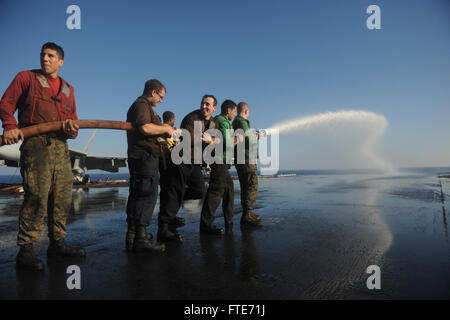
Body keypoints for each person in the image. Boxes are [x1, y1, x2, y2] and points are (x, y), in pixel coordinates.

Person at [0, 42, 86, 271]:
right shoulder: (25, 78)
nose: (45, 59)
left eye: (51, 56)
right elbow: (6, 104)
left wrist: (71, 129)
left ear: (61, 61)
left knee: (62, 197)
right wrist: (10, 125)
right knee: (36, 195)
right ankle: (26, 251)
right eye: (43, 55)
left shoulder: (69, 89)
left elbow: (75, 124)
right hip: (36, 145)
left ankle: (57, 244)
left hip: (61, 147)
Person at [157, 94, 218, 241]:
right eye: (203, 103)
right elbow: (187, 136)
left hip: (195, 163)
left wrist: (212, 140)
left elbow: (218, 138)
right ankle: (163, 230)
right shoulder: (192, 118)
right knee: (175, 192)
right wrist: (205, 139)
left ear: (214, 108)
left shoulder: (213, 123)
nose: (204, 106)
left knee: (199, 191)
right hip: (183, 160)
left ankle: (173, 199)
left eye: (207, 104)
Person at [125, 79, 174, 253]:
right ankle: (140, 238)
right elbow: (145, 128)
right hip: (144, 156)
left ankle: (134, 234)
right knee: (146, 194)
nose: (161, 100)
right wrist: (166, 130)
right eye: (161, 97)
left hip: (143, 155)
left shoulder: (145, 107)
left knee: (138, 193)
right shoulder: (142, 105)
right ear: (153, 92)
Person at [199, 99, 243, 234]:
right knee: (215, 191)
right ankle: (206, 225)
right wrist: (238, 139)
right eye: (234, 111)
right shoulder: (223, 122)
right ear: (228, 110)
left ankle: (229, 220)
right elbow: (227, 143)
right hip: (219, 160)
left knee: (229, 189)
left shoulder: (221, 121)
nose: (234, 114)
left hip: (220, 160)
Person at [232, 102, 264, 227]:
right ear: (246, 111)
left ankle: (247, 213)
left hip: (241, 159)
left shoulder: (236, 122)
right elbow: (249, 138)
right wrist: (257, 136)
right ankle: (247, 215)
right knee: (252, 185)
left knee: (245, 186)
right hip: (246, 159)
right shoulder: (242, 122)